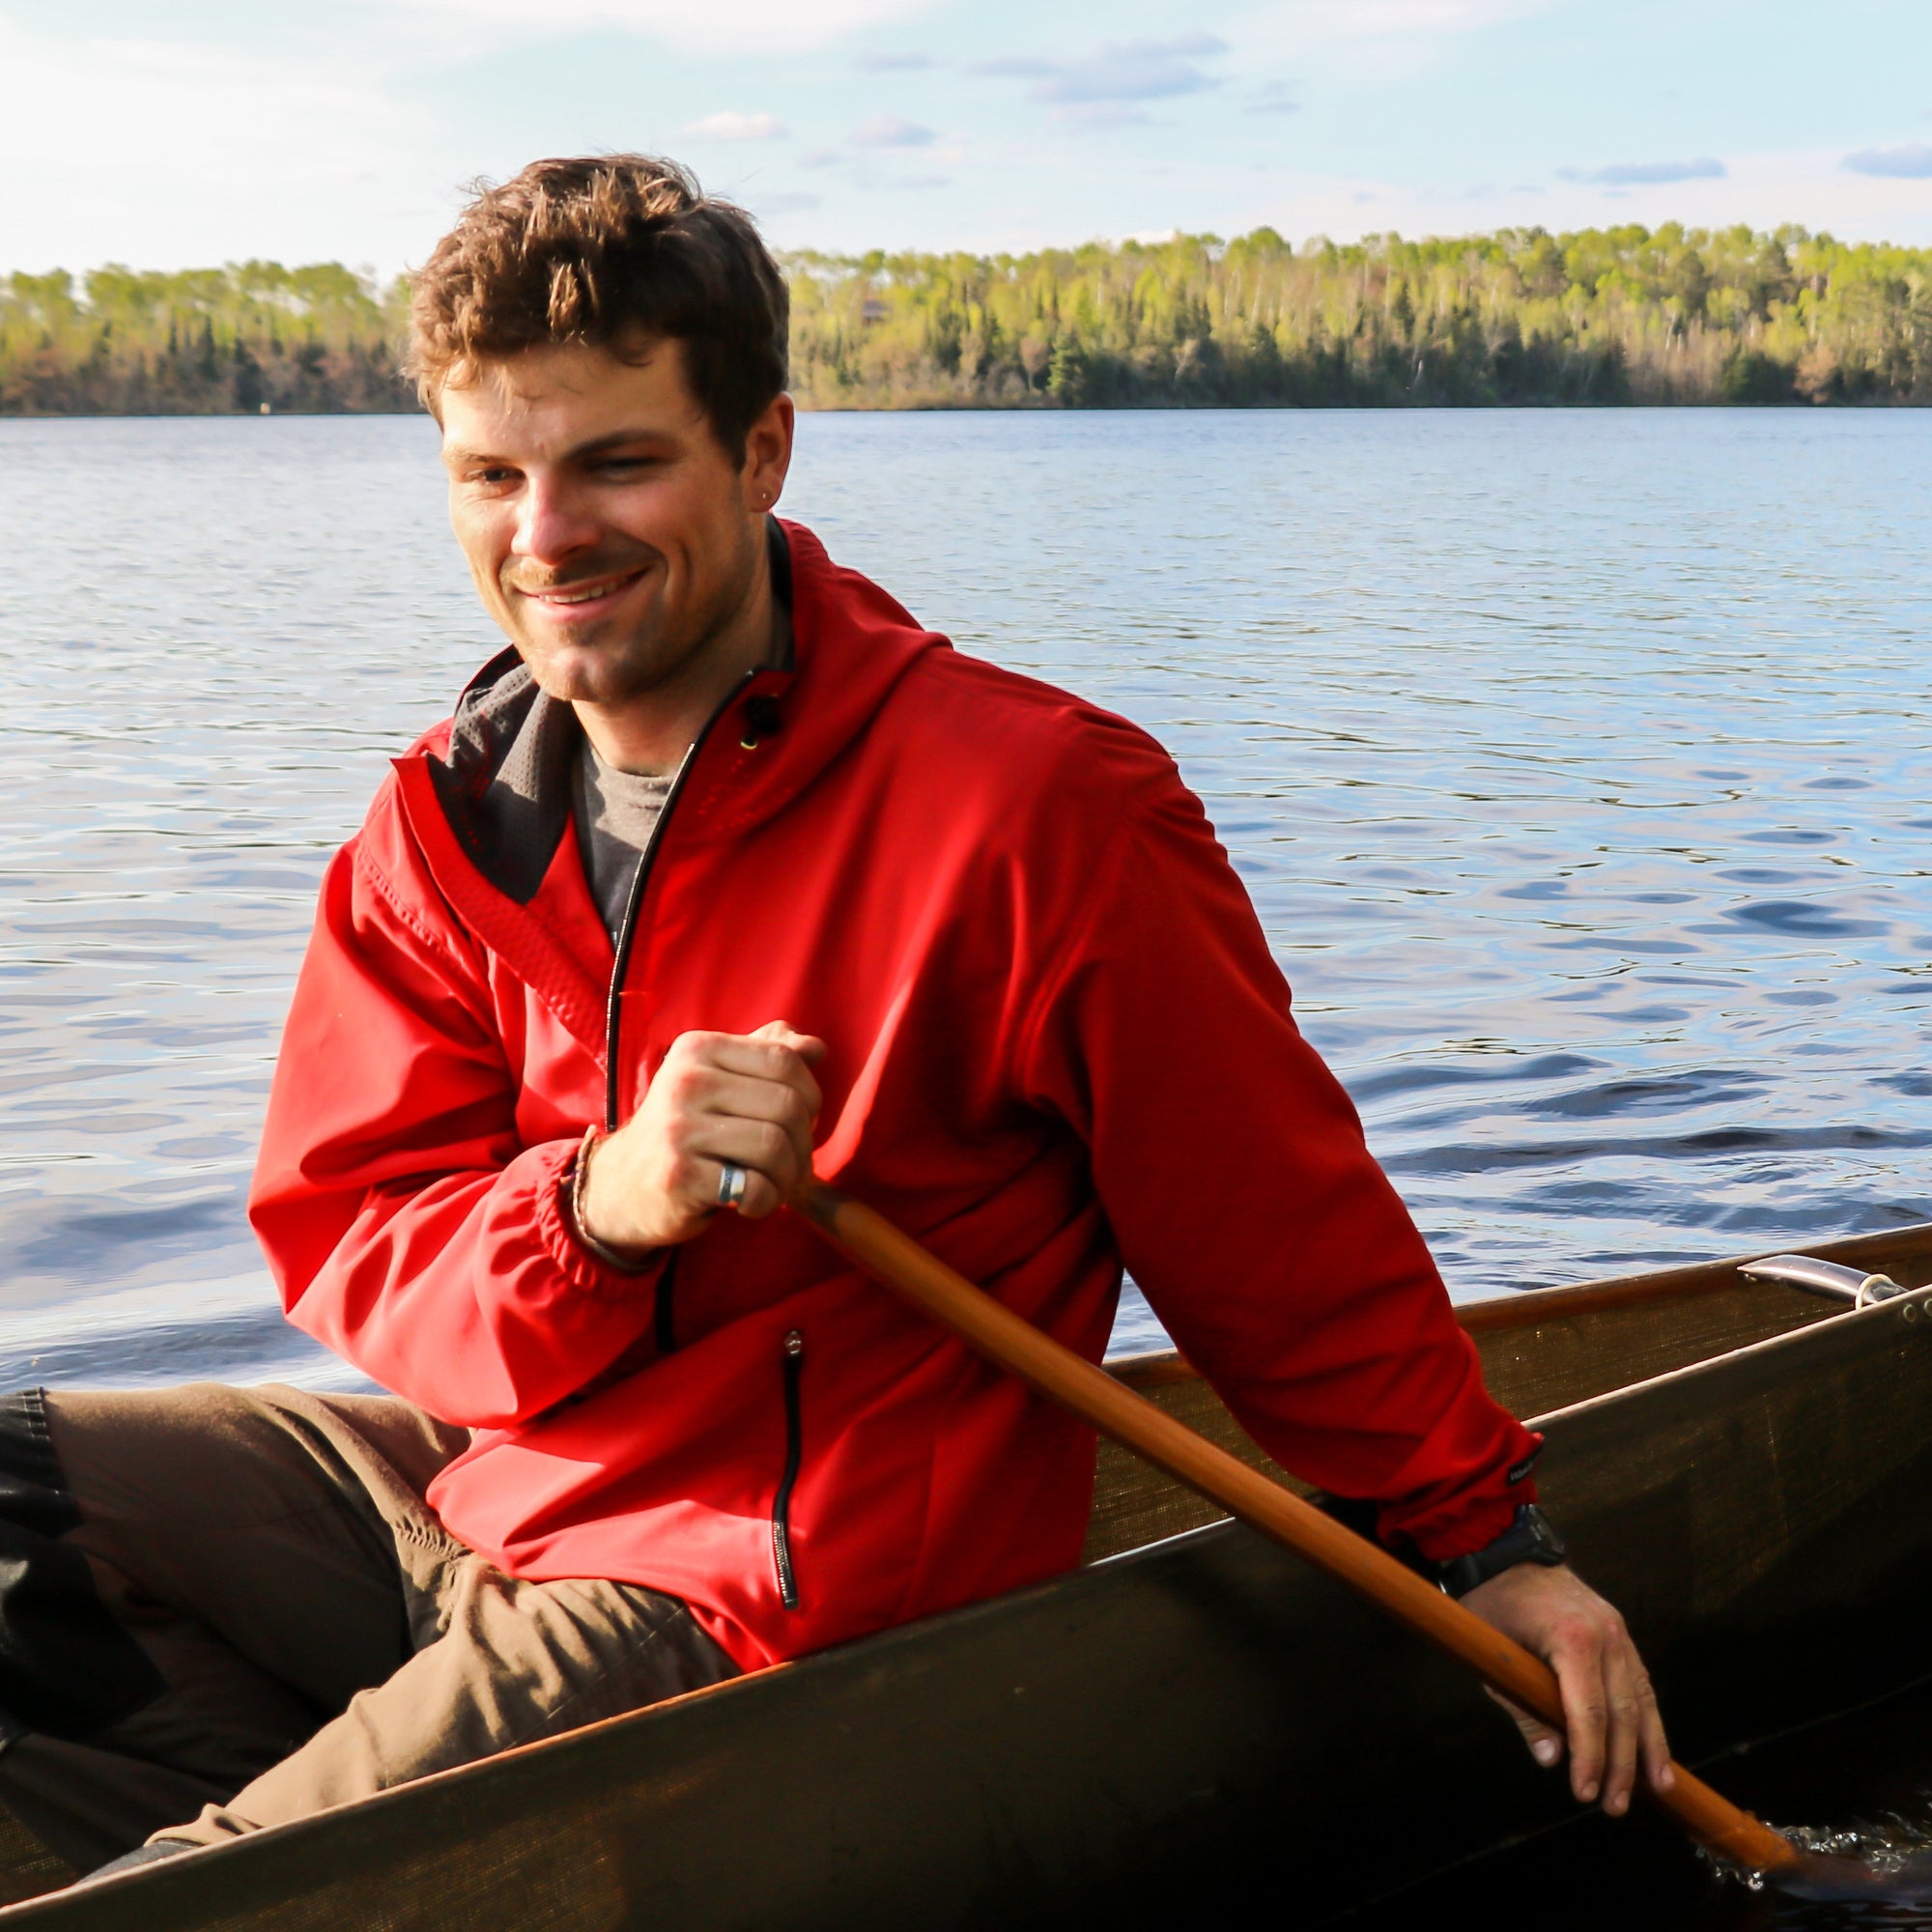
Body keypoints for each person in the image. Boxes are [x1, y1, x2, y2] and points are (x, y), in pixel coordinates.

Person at [0, 155, 1670, 1885]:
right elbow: (352, 1235)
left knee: (209, 1882)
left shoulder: (1039, 809)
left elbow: (1275, 1231)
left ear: (764, 451)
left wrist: (1492, 1545)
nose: (545, 533)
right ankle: (296, 1859)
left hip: (746, 1585)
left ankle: (256, 1870)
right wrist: (594, 1211)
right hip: (482, 1484)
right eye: (491, 474)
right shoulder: (439, 827)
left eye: (615, 463)